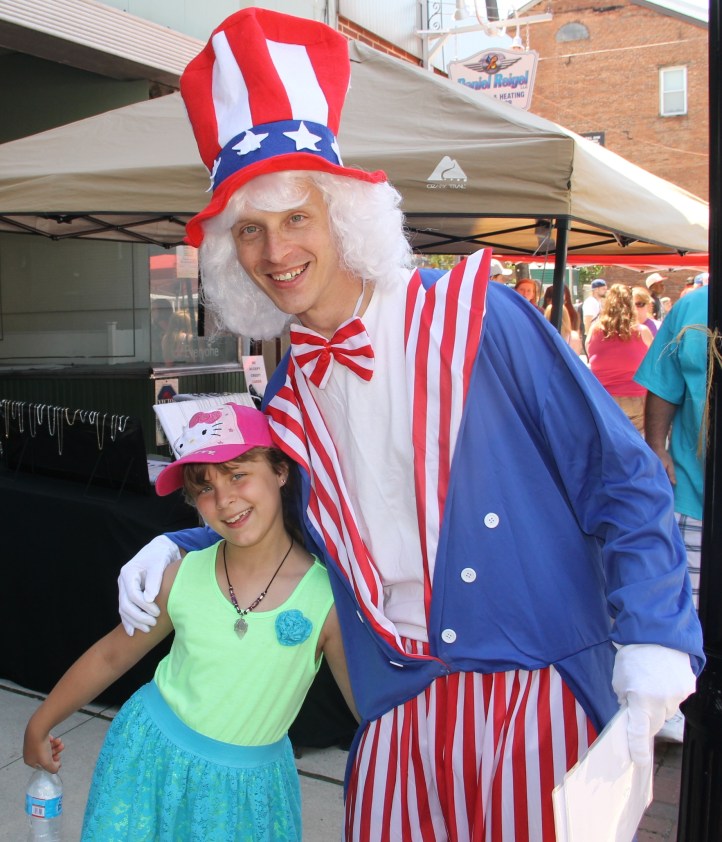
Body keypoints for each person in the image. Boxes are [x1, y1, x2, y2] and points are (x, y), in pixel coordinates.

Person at [117, 9, 702, 841]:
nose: (275, 252)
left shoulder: (480, 319)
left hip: (534, 692)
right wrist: (179, 545)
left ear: (344, 215)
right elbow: (285, 524)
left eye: (296, 217)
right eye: (250, 230)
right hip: (396, 704)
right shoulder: (285, 396)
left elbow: (621, 477)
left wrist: (654, 638)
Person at [24, 402, 354, 841]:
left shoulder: (326, 600)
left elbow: (370, 715)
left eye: (238, 474)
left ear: (280, 470)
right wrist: (41, 722)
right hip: (148, 761)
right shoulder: (183, 572)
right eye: (204, 487)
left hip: (247, 794)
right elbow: (110, 656)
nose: (224, 499)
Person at [634, 282, 709, 743]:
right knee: (683, 611)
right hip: (693, 494)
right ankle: (679, 705)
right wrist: (656, 447)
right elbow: (664, 383)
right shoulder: (694, 306)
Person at [586, 284, 653, 434]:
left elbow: (590, 355)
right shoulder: (642, 332)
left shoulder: (594, 330)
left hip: (603, 399)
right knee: (636, 439)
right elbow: (654, 363)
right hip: (636, 398)